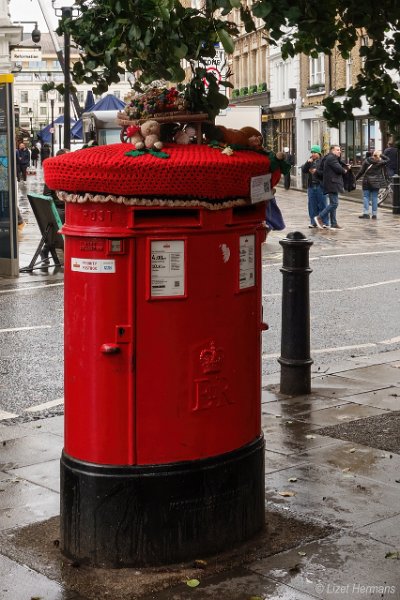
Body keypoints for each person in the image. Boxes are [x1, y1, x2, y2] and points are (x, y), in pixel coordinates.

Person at [40, 148, 69, 263]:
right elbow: (47, 194)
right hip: (58, 207)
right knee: (63, 216)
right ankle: (54, 247)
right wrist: (61, 201)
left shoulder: (70, 171)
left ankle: (48, 248)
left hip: (67, 205)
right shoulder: (53, 173)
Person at [314, 145, 349, 230]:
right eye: (337, 150)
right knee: (334, 203)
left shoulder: (330, 158)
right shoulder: (331, 158)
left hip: (332, 183)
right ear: (332, 151)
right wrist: (345, 170)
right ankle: (319, 217)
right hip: (332, 183)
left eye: (340, 150)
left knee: (333, 203)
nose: (339, 151)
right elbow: (339, 169)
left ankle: (334, 223)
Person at [355, 149, 389, 220]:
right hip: (376, 183)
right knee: (374, 198)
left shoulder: (367, 161)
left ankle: (366, 213)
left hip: (366, 182)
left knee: (366, 197)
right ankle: (374, 215)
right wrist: (380, 154)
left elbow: (361, 172)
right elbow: (388, 159)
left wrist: (355, 179)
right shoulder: (380, 162)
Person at [301, 145, 329, 228]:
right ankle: (313, 222)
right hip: (311, 186)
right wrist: (307, 162)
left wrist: (316, 172)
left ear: (319, 153)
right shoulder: (310, 161)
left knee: (322, 204)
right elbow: (304, 170)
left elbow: (326, 173)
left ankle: (324, 222)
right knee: (312, 205)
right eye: (312, 152)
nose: (313, 154)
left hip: (321, 186)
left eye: (315, 152)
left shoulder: (323, 161)